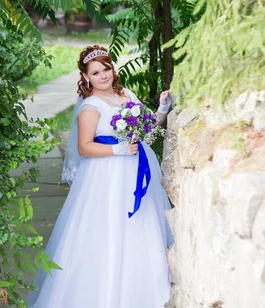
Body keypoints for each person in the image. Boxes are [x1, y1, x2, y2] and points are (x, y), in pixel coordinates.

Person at [27, 45, 174, 308]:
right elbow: (85, 147)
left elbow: (148, 127)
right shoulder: (91, 106)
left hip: (137, 167)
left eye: (106, 69)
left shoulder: (126, 93)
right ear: (86, 77)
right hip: (107, 174)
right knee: (108, 230)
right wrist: (118, 149)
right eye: (96, 72)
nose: (103, 75)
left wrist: (162, 109)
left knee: (143, 225)